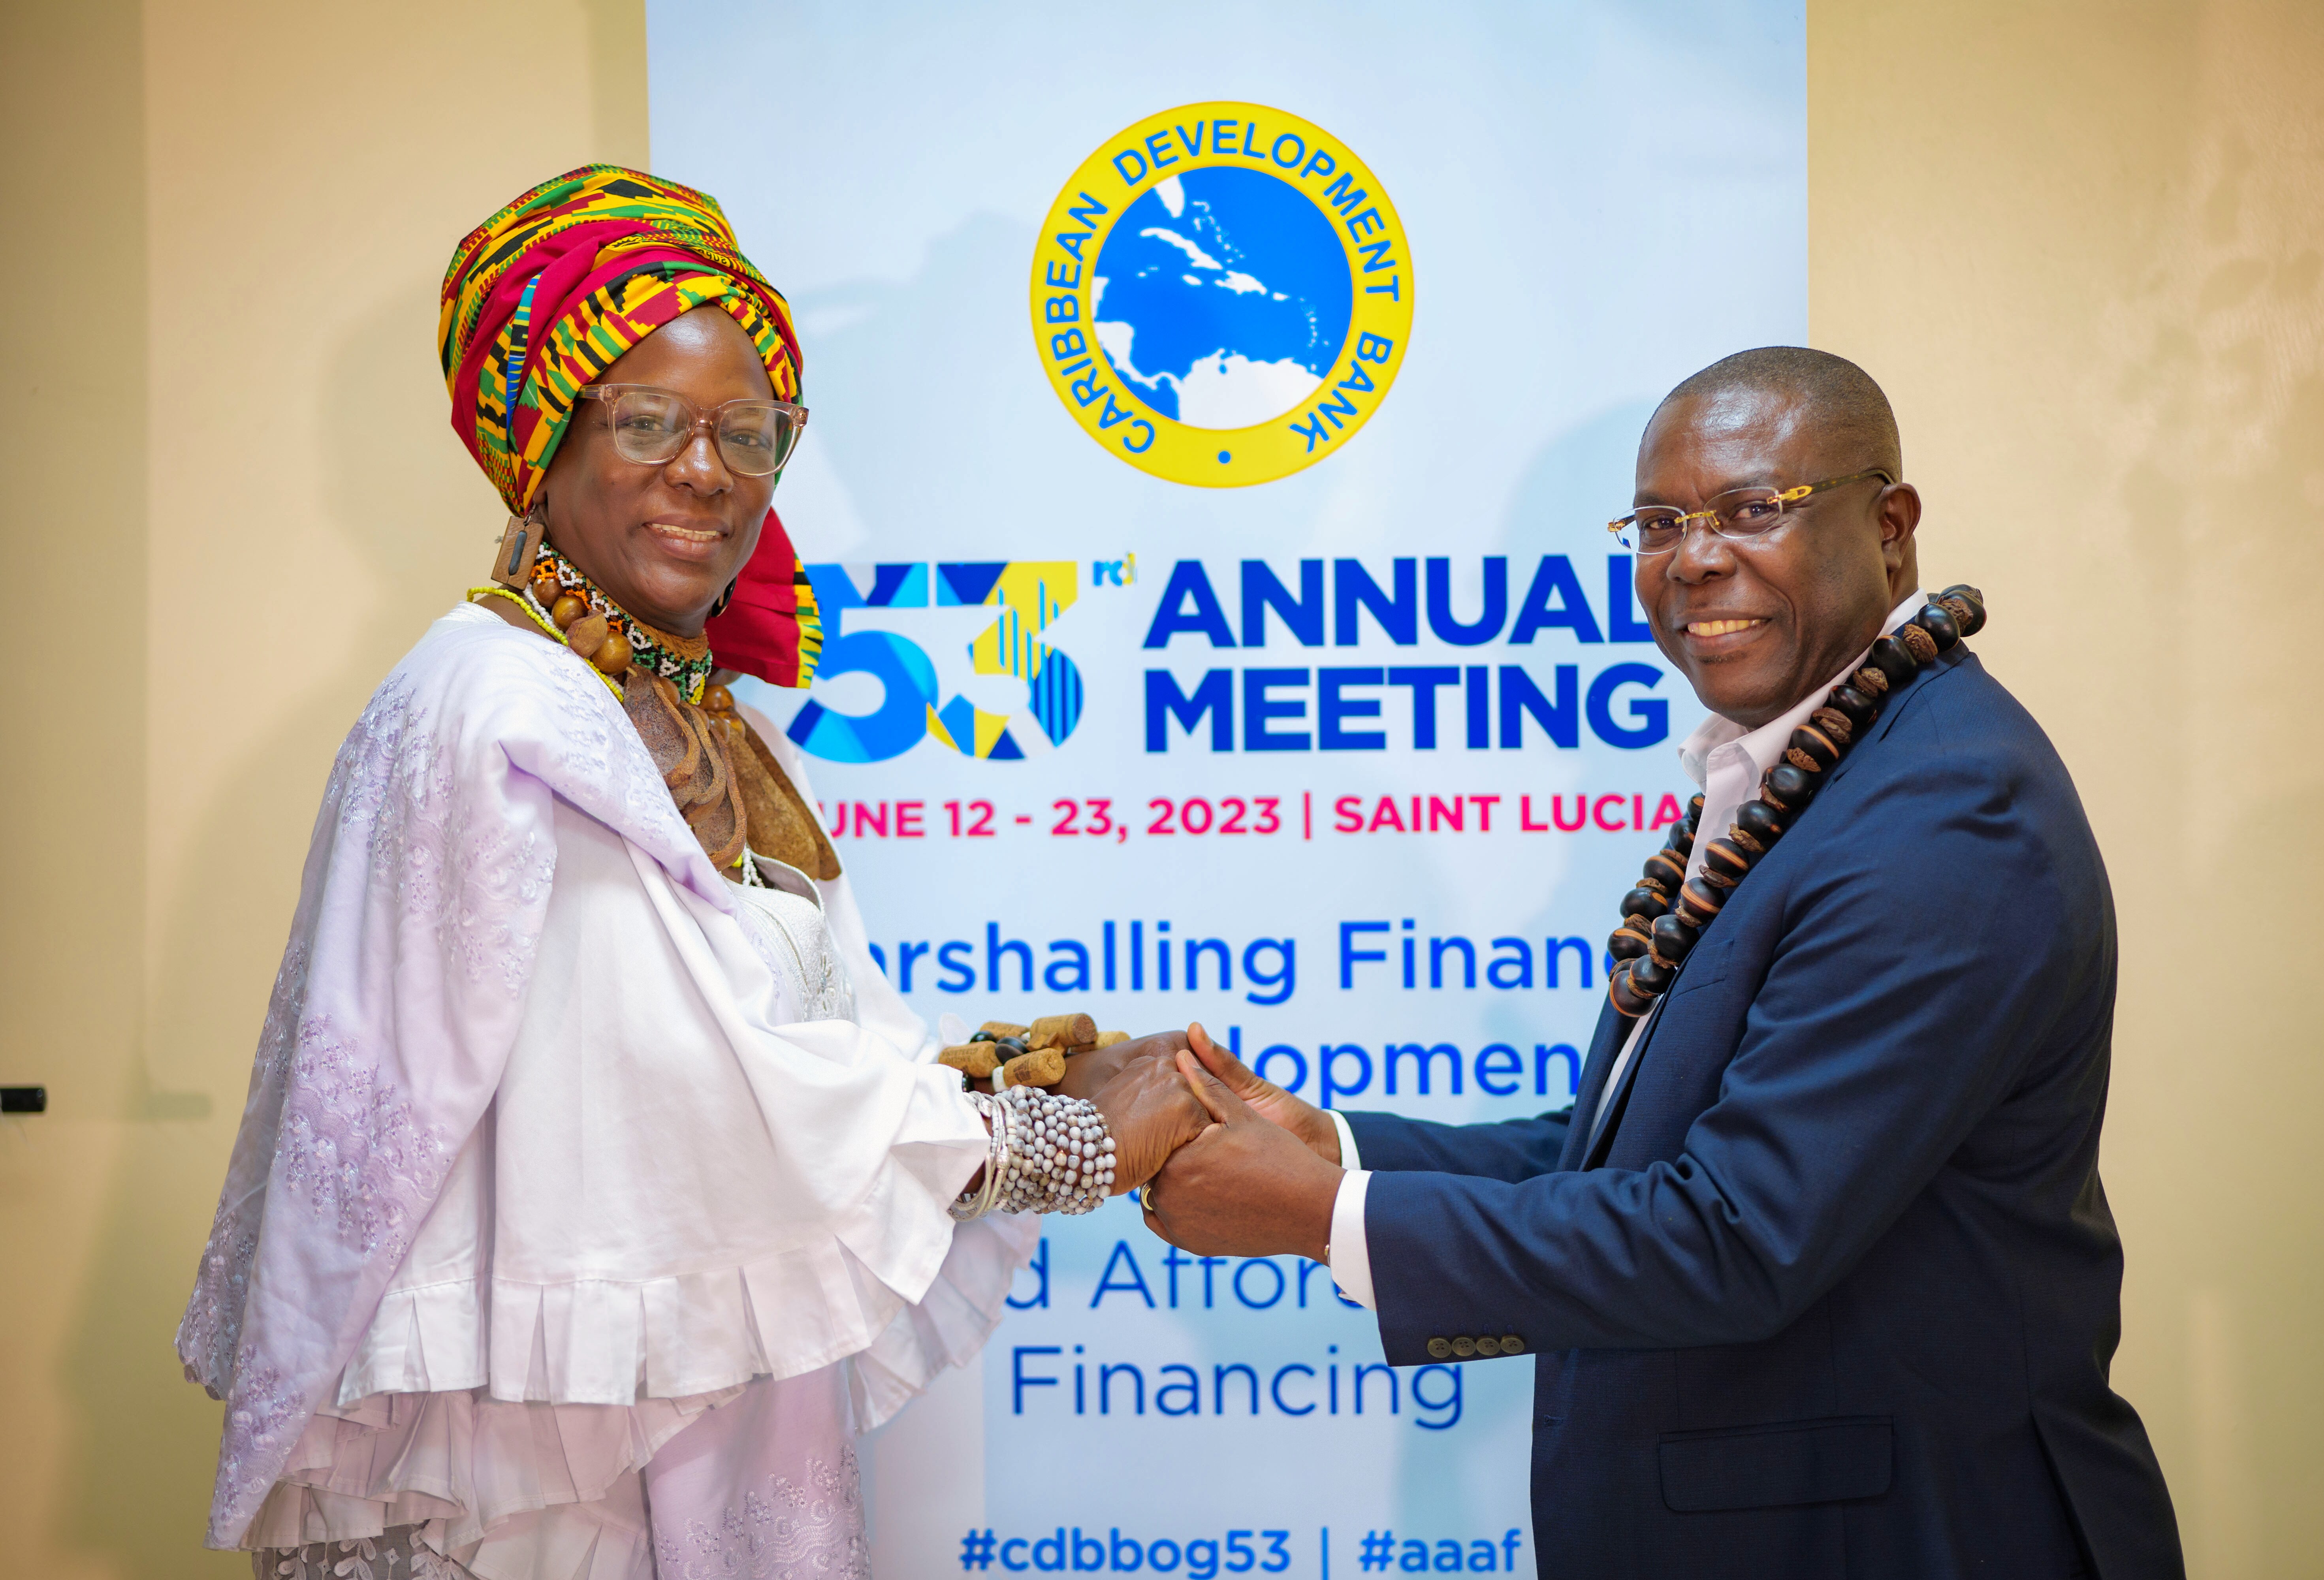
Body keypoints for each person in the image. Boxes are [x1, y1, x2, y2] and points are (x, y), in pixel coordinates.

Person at [175, 166, 1203, 1580]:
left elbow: (786, 1027)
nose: (707, 474)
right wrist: (1051, 1146)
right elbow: (678, 1084)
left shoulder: (706, 715)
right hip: (532, 1476)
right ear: (541, 440)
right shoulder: (495, 706)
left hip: (672, 1425)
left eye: (749, 432)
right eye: (648, 422)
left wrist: (999, 1083)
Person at [1138, 349, 2185, 1579]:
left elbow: (1733, 1235)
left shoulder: (1944, 815)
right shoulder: (1810, 767)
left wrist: (1325, 1216)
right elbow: (1657, 1155)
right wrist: (1338, 1146)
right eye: (1658, 522)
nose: (1695, 558)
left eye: (1755, 510)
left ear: (1891, 531)